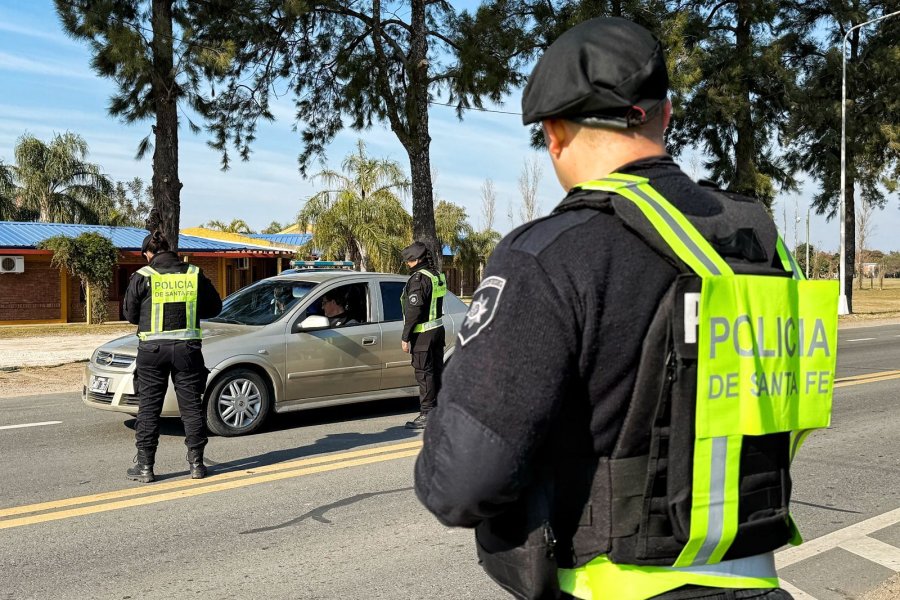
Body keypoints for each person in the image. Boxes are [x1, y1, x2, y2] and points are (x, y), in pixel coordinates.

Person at [414, 17, 837, 600]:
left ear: (554, 134)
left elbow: (460, 484)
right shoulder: (760, 239)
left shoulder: (550, 253)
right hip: (760, 582)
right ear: (664, 115)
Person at [123, 229, 223, 483]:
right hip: (187, 350)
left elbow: (131, 315)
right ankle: (197, 465)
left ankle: (145, 467)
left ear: (148, 253)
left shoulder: (142, 276)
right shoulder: (194, 274)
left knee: (149, 408)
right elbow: (214, 307)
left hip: (152, 352)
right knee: (190, 408)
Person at [400, 241, 447, 430]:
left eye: (409, 261)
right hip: (437, 331)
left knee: (424, 374)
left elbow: (414, 311)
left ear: (417, 260)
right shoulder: (435, 275)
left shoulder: (418, 279)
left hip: (423, 335)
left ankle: (427, 413)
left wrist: (405, 337)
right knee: (436, 372)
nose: (407, 264)